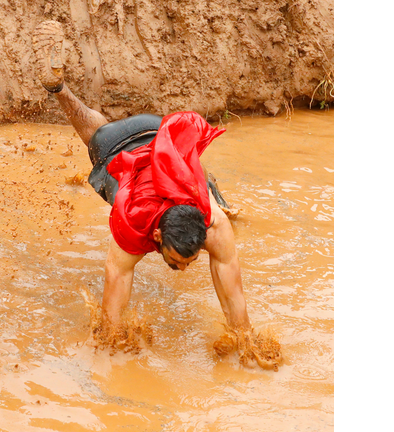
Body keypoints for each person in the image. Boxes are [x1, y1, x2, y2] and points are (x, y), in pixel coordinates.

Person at [32, 21, 251, 334]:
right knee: (98, 141)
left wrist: (244, 339)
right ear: (157, 237)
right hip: (120, 146)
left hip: (156, 130)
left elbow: (235, 300)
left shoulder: (212, 225)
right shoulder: (133, 229)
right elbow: (116, 286)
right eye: (177, 261)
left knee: (187, 173)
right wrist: (112, 343)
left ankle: (59, 90)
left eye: (188, 261)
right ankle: (57, 89)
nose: (183, 270)